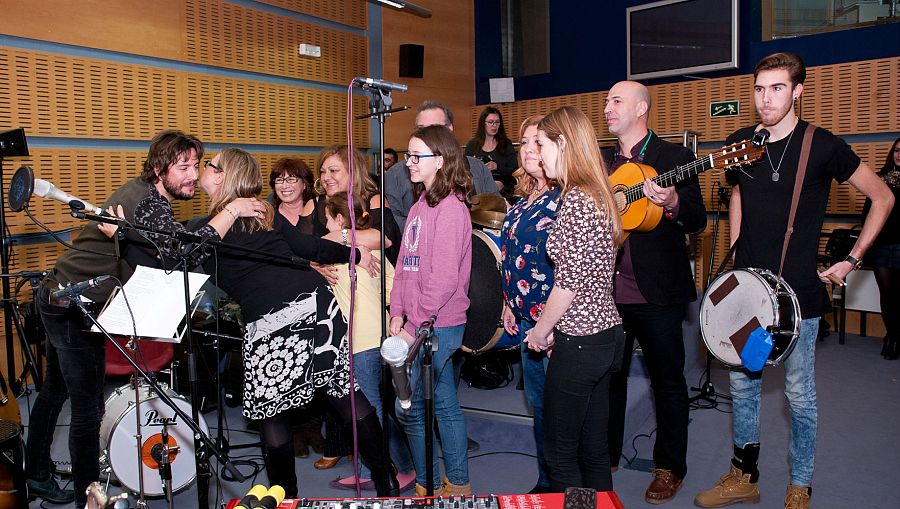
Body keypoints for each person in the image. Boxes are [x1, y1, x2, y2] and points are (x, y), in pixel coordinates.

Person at [24, 131, 265, 508]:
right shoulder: (148, 202)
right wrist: (231, 211)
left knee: (55, 392)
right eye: (182, 167)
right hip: (74, 304)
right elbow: (184, 253)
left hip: (60, 295)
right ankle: (92, 496)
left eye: (195, 166)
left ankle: (36, 474)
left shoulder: (145, 197)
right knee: (86, 407)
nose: (191, 175)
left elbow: (165, 247)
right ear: (158, 169)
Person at [695, 52, 894, 509]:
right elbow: (740, 192)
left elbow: (882, 197)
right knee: (743, 386)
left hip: (798, 294)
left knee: (799, 394)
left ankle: (799, 484)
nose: (766, 98)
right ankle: (744, 475)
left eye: (778, 88)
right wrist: (739, 249)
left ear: (798, 90)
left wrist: (851, 259)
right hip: (746, 293)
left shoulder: (823, 146)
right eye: (760, 88)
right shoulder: (741, 140)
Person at [199, 148, 399, 498]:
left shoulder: (212, 227)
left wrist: (353, 252)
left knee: (272, 416)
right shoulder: (264, 213)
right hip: (318, 308)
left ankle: (286, 498)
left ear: (220, 175)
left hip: (273, 323)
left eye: (208, 164)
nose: (202, 171)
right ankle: (387, 483)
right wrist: (352, 252)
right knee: (347, 397)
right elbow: (310, 247)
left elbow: (189, 253)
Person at [602, 80, 707, 504]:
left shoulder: (674, 159)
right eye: (607, 100)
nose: (606, 107)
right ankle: (604, 456)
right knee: (608, 379)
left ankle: (669, 468)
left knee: (668, 383)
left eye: (616, 101)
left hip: (657, 293)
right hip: (607, 292)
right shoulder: (602, 165)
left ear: (641, 108)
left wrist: (673, 203)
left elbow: (696, 219)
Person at [524, 106, 625, 491]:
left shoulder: (578, 200)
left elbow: (568, 283)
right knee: (593, 450)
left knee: (561, 455)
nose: (538, 153)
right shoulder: (596, 194)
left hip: (582, 342)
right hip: (604, 334)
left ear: (562, 143)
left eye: (542, 143)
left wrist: (540, 331)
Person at [390, 124, 473, 496]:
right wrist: (396, 311)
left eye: (415, 156)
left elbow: (443, 281)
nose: (409, 162)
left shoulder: (452, 208)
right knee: (442, 404)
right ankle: (454, 481)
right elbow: (405, 266)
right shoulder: (420, 205)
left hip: (439, 325)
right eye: (408, 155)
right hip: (418, 322)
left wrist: (412, 326)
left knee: (407, 408)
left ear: (439, 160)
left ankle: (432, 482)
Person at [320, 191, 417, 492]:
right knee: (374, 407)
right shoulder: (369, 251)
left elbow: (308, 252)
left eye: (327, 219)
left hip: (359, 339)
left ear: (338, 219)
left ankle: (400, 467)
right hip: (380, 335)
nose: (325, 225)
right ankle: (371, 468)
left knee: (368, 412)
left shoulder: (333, 250)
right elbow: (392, 290)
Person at [498, 114, 560, 494]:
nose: (530, 149)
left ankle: (571, 488)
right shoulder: (524, 199)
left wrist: (549, 325)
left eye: (538, 142)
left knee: (565, 414)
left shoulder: (565, 196)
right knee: (539, 406)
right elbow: (512, 253)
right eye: (524, 143)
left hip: (555, 323)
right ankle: (549, 479)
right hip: (526, 322)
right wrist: (509, 301)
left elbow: (569, 270)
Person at [384, 100, 498, 231]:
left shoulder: (477, 168)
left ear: (449, 129)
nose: (426, 136)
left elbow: (494, 209)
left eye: (434, 129)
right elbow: (391, 221)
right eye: (421, 129)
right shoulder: (397, 174)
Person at [862, 137, 900, 360]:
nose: (899, 155)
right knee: (886, 294)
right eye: (896, 150)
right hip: (881, 246)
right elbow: (868, 214)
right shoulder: (879, 179)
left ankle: (895, 336)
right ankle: (892, 335)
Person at [465, 106, 519, 192]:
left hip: (503, 185)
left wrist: (497, 167)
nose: (494, 126)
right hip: (477, 184)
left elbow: (514, 170)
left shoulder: (506, 144)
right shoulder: (472, 145)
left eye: (497, 122)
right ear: (483, 123)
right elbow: (465, 169)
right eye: (490, 122)